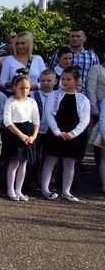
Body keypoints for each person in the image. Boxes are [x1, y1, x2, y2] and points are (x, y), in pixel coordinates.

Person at [40, 67, 90, 201]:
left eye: (68, 79)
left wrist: (74, 133)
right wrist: (57, 131)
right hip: (56, 132)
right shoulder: (54, 95)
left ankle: (66, 191)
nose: (65, 82)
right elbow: (49, 113)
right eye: (63, 79)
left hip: (72, 135)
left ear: (76, 80)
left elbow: (85, 119)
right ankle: (45, 189)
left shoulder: (82, 99)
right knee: (50, 160)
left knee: (69, 162)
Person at [2, 75, 40, 201]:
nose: (25, 91)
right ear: (15, 87)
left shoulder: (32, 102)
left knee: (23, 163)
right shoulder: (10, 101)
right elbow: (8, 121)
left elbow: (36, 120)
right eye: (22, 88)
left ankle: (19, 190)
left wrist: (34, 136)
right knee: (14, 162)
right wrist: (20, 135)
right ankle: (10, 189)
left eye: (27, 88)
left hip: (28, 132)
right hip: (15, 133)